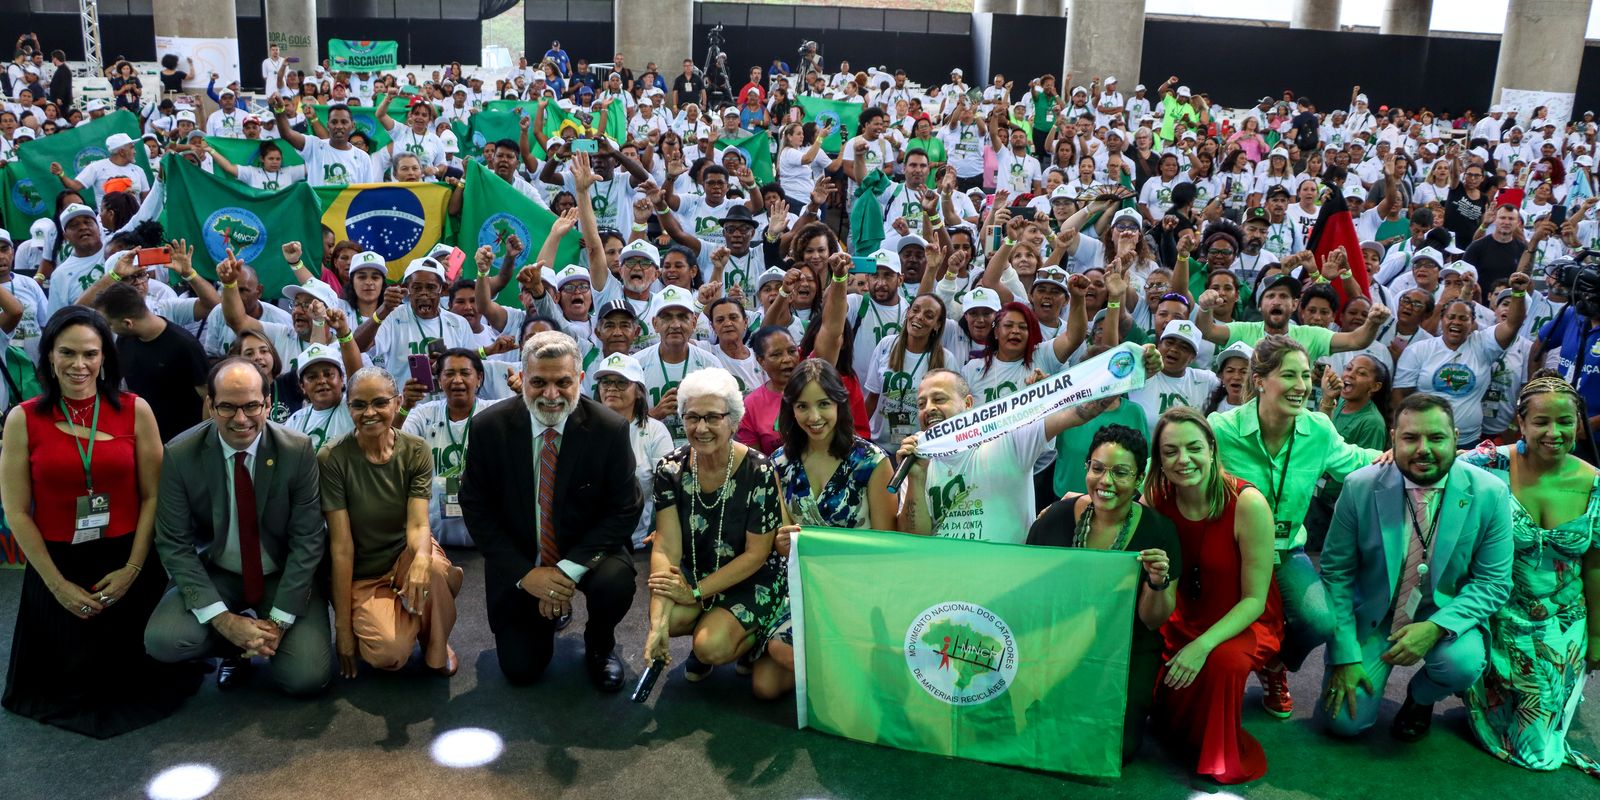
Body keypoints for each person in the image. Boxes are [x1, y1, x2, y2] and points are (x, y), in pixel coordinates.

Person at [0, 308, 201, 737]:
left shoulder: (134, 410)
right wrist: (56, 585)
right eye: (67, 353)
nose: (79, 365)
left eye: (90, 353)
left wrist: (132, 569)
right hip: (57, 562)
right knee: (67, 681)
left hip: (127, 556)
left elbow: (153, 495)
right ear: (49, 357)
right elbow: (16, 511)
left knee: (141, 673)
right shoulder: (24, 418)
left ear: (105, 358)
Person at [1317, 394, 1513, 741]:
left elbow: (1493, 582)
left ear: (1455, 437)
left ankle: (1421, 698)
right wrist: (1345, 656)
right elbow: (1336, 573)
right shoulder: (1359, 486)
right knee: (1344, 725)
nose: (1423, 449)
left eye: (1436, 437)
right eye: (1410, 438)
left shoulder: (1491, 493)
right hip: (1377, 614)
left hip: (1444, 611)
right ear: (1394, 438)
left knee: (1462, 663)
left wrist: (1436, 627)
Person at [1208, 334, 1382, 716]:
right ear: (1260, 379)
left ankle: (1276, 663)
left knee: (1321, 621)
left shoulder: (1318, 429)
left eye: (1305, 375)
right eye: (1289, 375)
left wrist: (1399, 453)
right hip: (1227, 550)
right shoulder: (1221, 429)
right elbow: (1174, 469)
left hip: (1286, 551)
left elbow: (1356, 460)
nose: (1302, 386)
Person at [460, 331, 641, 691]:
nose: (551, 394)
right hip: (520, 560)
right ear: (522, 378)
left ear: (580, 380)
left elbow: (624, 509)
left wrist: (564, 574)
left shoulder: (610, 429)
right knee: (521, 670)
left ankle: (599, 645)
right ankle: (543, 612)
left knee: (615, 581)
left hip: (584, 554)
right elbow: (477, 509)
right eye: (539, 382)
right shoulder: (487, 428)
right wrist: (528, 576)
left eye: (563, 382)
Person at [144, 357, 332, 696]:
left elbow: (308, 540)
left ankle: (262, 638)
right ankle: (234, 646)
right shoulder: (179, 454)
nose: (241, 419)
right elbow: (174, 543)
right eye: (228, 407)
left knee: (306, 677)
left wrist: (277, 623)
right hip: (220, 570)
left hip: (280, 573)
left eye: (251, 406)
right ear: (210, 405)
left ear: (269, 403)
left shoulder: (298, 450)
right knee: (164, 639)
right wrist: (224, 621)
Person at [1459, 377, 1600, 775]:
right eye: (1541, 422)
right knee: (1527, 741)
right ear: (1521, 423)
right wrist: (1383, 457)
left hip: (1563, 617)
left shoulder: (1596, 486)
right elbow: (1430, 458)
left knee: (1540, 751)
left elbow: (1596, 566)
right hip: (1497, 610)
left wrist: (1597, 638)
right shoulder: (1487, 465)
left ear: (1578, 423)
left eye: (1565, 422)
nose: (1553, 433)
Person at [1144, 407, 1282, 785]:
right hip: (1182, 617)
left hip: (1243, 621)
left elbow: (1255, 600)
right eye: (1170, 451)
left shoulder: (1248, 503)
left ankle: (1220, 749)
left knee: (1222, 663)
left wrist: (1201, 645)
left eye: (1193, 448)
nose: (1183, 459)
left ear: (1211, 449)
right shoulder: (1156, 498)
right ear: (1159, 459)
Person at [1028, 424, 1179, 763]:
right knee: (1040, 733)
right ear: (1086, 467)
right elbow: (1032, 595)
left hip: (1126, 651)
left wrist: (1157, 582)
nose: (1105, 482)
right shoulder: (1055, 518)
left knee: (1114, 746)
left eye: (1121, 473)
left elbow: (1154, 621)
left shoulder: (1159, 531)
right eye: (1097, 468)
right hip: (1060, 644)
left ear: (1139, 478)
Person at [643, 367, 786, 682]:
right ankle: (709, 623)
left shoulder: (759, 470)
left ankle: (752, 641)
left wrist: (694, 594)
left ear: (733, 421)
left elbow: (756, 555)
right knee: (670, 618)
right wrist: (658, 627)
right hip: (697, 571)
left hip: (751, 578)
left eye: (713, 417)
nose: (701, 427)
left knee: (711, 647)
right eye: (692, 417)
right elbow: (666, 547)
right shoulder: (669, 469)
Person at [897, 362, 1141, 542]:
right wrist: (916, 478)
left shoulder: (1008, 437)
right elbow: (913, 539)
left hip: (1007, 580)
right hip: (946, 581)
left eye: (939, 399)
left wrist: (1129, 370)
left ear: (968, 404)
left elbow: (1077, 413)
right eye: (921, 404)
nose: (928, 409)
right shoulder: (917, 463)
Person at [322, 367, 461, 678]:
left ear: (398, 403)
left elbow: (418, 524)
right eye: (359, 405)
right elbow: (341, 547)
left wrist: (422, 559)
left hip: (404, 554)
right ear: (349, 408)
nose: (369, 413)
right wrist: (342, 627)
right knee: (389, 653)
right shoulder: (332, 458)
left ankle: (435, 642)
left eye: (380, 403)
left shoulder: (415, 450)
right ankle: (421, 608)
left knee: (434, 568)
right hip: (364, 572)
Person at [92, 281, 209, 442]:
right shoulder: (125, 340)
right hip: (143, 437)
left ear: (128, 323)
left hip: (182, 443)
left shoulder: (184, 345)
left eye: (110, 324)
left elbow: (207, 396)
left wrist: (203, 440)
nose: (109, 329)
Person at [399, 347, 485, 547]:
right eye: (449, 374)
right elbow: (392, 444)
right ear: (438, 380)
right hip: (431, 536)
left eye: (465, 373)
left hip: (483, 538)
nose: (457, 380)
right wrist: (404, 407)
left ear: (479, 378)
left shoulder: (493, 413)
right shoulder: (422, 414)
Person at [590, 352, 675, 551]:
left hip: (639, 543)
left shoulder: (655, 431)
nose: (611, 388)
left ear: (638, 391)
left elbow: (670, 488)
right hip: (590, 540)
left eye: (621, 382)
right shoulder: (585, 429)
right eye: (606, 382)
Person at [735, 325, 800, 455]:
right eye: (776, 354)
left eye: (792, 351)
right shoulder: (750, 405)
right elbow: (757, 462)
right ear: (761, 361)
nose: (787, 359)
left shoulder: (815, 389)